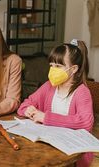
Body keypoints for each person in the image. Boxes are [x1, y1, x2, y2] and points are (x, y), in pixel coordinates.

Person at [17, 39, 94, 167]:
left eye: (58, 66)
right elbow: (25, 104)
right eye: (51, 65)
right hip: (50, 146)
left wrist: (46, 117)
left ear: (73, 69)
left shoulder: (82, 92)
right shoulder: (49, 86)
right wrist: (28, 110)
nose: (52, 70)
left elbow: (86, 122)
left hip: (73, 154)